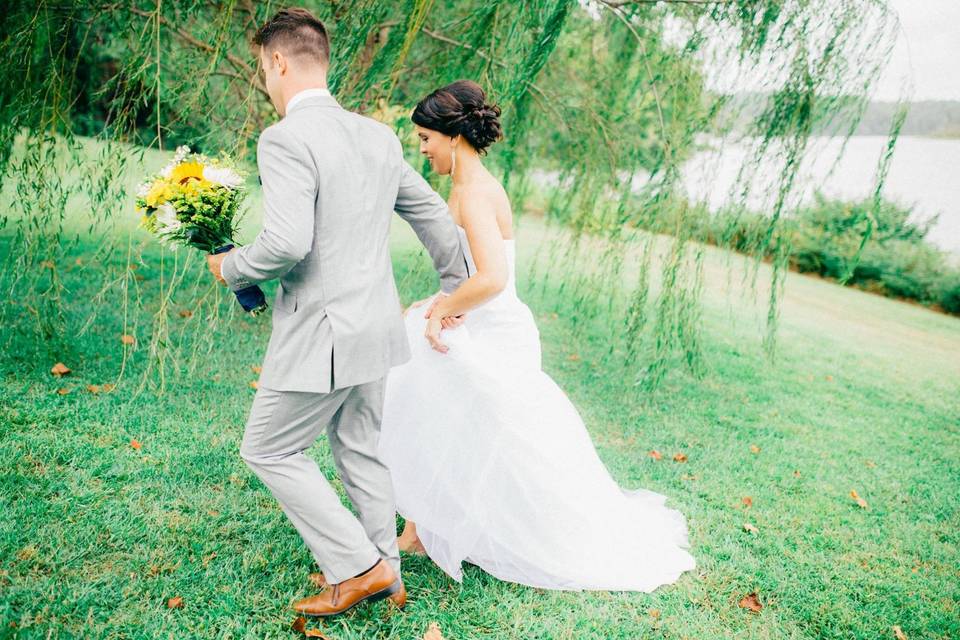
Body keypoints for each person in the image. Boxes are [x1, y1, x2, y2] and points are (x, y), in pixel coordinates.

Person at [378, 80, 697, 592]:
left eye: (424, 138)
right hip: (475, 318)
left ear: (452, 138)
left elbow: (493, 279)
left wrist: (443, 312)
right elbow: (467, 276)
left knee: (507, 439)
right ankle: (420, 524)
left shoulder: (477, 193)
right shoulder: (463, 186)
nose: (422, 148)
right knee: (423, 399)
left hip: (494, 328)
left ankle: (528, 530)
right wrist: (437, 303)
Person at [206, 8, 469, 617]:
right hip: (375, 329)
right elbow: (432, 213)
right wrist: (455, 288)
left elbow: (287, 243)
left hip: (321, 334)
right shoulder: (376, 136)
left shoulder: (285, 138)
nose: (265, 83)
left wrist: (233, 267)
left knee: (267, 449)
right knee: (359, 448)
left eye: (262, 69)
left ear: (278, 61)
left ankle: (359, 568)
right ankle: (391, 575)